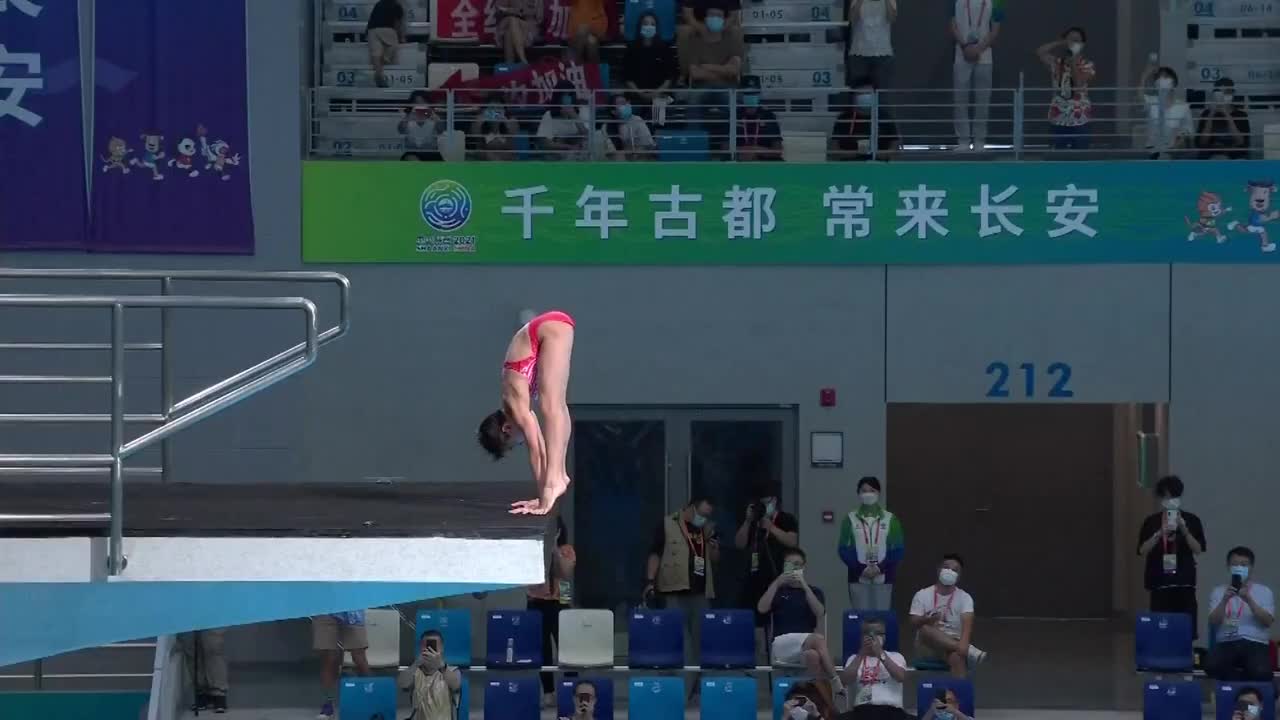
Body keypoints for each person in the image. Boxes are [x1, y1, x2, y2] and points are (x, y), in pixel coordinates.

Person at [478, 309, 576, 517]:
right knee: (557, 405)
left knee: (551, 406)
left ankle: (555, 479)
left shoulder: (514, 405)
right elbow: (540, 445)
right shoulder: (518, 406)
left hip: (547, 328)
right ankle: (558, 476)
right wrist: (542, 497)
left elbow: (536, 451)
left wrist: (545, 496)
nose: (520, 442)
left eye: (514, 443)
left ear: (507, 428)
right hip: (550, 328)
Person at [758, 549, 848, 709]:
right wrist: (777, 582)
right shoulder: (778, 591)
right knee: (819, 639)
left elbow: (820, 612)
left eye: (798, 564)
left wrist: (804, 587)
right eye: (790, 564)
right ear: (784, 567)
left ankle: (816, 703)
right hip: (781, 644)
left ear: (804, 567)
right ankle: (835, 681)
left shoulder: (814, 591)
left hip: (806, 645)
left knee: (813, 655)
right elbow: (761, 608)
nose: (794, 568)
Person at [645, 496, 721, 669]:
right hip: (674, 592)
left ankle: (698, 690)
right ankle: (680, 688)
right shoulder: (668, 523)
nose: (704, 519)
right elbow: (655, 554)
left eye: (708, 515)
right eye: (702, 514)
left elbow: (715, 560)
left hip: (700, 593)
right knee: (679, 641)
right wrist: (650, 581)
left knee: (700, 643)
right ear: (691, 508)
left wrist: (714, 546)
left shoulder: (707, 528)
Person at [1136, 475, 1206, 638]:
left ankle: (1184, 659)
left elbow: (1198, 549)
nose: (1171, 500)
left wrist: (1184, 530)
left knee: (1186, 627)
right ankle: (1163, 658)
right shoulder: (1152, 521)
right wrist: (1159, 533)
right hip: (1160, 582)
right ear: (1161, 498)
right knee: (1161, 627)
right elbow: (1142, 550)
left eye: (1174, 496)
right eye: (1167, 496)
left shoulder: (1191, 520)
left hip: (1184, 581)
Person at [735, 484, 799, 658]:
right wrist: (748, 520)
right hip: (755, 580)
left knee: (778, 621)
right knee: (756, 622)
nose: (764, 506)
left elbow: (792, 541)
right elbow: (739, 543)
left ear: (775, 501)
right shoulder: (754, 521)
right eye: (761, 503)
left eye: (767, 502)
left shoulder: (786, 519)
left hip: (779, 576)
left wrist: (771, 527)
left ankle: (778, 657)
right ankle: (756, 658)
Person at [909, 554, 987, 677]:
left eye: (955, 570)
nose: (949, 571)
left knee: (957, 657)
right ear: (938, 569)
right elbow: (913, 621)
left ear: (959, 576)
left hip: (953, 642)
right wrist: (927, 619)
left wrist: (963, 644)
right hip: (927, 646)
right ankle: (970, 651)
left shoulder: (965, 598)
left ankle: (959, 695)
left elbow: (967, 624)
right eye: (946, 567)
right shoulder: (922, 594)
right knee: (925, 628)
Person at [527, 516, 576, 706]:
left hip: (560, 602)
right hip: (536, 602)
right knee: (542, 649)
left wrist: (554, 549)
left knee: (567, 649)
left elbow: (565, 574)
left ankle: (571, 690)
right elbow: (532, 576)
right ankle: (548, 692)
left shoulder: (567, 550)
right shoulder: (533, 551)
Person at [1207, 546, 1275, 681]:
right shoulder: (1218, 591)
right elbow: (1213, 622)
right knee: (1211, 666)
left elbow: (1267, 622)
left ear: (1251, 567)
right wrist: (1224, 600)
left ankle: (1245, 690)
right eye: (1234, 564)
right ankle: (1236, 688)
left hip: (1255, 642)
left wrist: (1249, 600)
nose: (1239, 568)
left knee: (1261, 671)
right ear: (1228, 567)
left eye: (1244, 564)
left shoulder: (1264, 591)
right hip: (1227, 642)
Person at [838, 476, 904, 610]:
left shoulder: (890, 519)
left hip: (884, 576)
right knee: (860, 618)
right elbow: (844, 549)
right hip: (858, 576)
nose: (868, 494)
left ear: (878, 493)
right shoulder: (850, 519)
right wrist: (861, 569)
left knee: (881, 618)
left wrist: (880, 568)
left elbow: (897, 550)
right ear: (859, 493)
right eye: (864, 490)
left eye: (872, 490)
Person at [949, 0, 1004, 151]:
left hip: (985, 55)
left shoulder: (997, 2)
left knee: (983, 100)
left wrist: (979, 48)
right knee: (960, 99)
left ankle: (979, 140)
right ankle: (963, 140)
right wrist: (965, 46)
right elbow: (953, 25)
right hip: (961, 53)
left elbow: (995, 29)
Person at [1036, 26, 1096, 150]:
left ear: (1083, 44)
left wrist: (1073, 62)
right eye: (1071, 40)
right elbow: (1040, 52)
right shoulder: (1057, 63)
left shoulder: (1088, 65)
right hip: (1058, 115)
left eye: (1077, 40)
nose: (1073, 43)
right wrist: (1060, 42)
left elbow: (1078, 83)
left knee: (1080, 154)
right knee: (1059, 154)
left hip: (1080, 117)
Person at [841, 617, 907, 719]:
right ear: (862, 637)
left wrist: (880, 653)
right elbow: (845, 680)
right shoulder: (854, 658)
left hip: (890, 710)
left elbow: (900, 677)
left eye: (878, 633)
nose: (873, 637)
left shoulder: (895, 656)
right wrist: (862, 652)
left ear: (884, 637)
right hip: (863, 710)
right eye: (868, 633)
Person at [686, 4, 743, 120]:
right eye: (712, 15)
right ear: (705, 18)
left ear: (724, 19)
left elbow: (734, 69)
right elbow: (695, 73)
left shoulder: (732, 38)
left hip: (727, 87)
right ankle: (696, 137)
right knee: (693, 98)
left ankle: (728, 137)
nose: (715, 18)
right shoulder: (695, 40)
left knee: (730, 99)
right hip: (702, 88)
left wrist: (707, 67)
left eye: (719, 15)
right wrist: (723, 70)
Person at [314, 610, 371, 719]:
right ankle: (328, 704)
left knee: (359, 658)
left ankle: (371, 698)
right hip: (325, 609)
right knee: (329, 659)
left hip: (352, 609)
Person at [398, 630, 462, 720]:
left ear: (442, 648)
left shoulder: (452, 671)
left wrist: (441, 666)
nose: (430, 649)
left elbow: (456, 685)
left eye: (434, 645)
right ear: (421, 648)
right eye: (426, 645)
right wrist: (416, 664)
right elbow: (402, 683)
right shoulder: (415, 671)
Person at [623, 11, 676, 112]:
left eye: (652, 24)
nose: (649, 26)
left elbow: (669, 78)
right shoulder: (631, 49)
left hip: (660, 94)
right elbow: (627, 78)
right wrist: (640, 93)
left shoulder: (665, 49)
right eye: (645, 23)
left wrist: (656, 93)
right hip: (636, 94)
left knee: (661, 111)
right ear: (640, 26)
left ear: (656, 28)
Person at [830, 87, 901, 161]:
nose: (865, 96)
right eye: (861, 94)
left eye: (868, 93)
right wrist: (856, 153)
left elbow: (896, 146)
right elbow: (833, 149)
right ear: (854, 97)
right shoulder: (844, 118)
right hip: (850, 166)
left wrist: (879, 154)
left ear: (874, 96)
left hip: (879, 166)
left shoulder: (885, 117)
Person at [1139, 62, 1193, 158]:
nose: (1163, 80)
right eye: (1159, 78)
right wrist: (1145, 75)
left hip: (1174, 154)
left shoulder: (1183, 106)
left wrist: (1181, 141)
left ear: (1174, 82)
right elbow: (1139, 96)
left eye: (1166, 77)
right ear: (1156, 84)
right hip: (1152, 153)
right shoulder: (1151, 101)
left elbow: (1188, 131)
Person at [1195, 77, 1252, 160]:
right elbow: (1201, 143)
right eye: (1220, 93)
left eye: (1227, 93)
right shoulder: (1206, 114)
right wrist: (1212, 114)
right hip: (1210, 156)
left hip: (1235, 156)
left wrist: (1226, 114)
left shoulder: (1241, 115)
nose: (1224, 96)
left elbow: (1242, 143)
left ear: (1233, 94)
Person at [847, 0, 896, 89]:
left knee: (881, 97)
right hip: (859, 53)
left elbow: (892, 18)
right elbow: (852, 18)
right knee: (860, 96)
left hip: (883, 53)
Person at [535, 86, 591, 160]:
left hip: (580, 150)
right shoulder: (549, 115)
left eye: (569, 96)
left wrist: (574, 116)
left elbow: (588, 136)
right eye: (563, 98)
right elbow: (545, 143)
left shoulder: (583, 111)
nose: (566, 102)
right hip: (561, 151)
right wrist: (569, 147)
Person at [183, 628, 229, 713]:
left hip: (210, 616)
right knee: (191, 650)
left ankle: (218, 694)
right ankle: (201, 692)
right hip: (186, 617)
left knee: (213, 647)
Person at [469, 92, 522, 161]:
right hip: (485, 158)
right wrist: (482, 119)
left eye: (499, 108)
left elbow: (510, 145)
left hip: (507, 157)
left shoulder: (511, 121)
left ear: (504, 110)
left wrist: (504, 121)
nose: (495, 112)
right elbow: (477, 141)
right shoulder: (479, 121)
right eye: (492, 108)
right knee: (488, 155)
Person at [366, 0, 406, 88]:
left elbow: (370, 19)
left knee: (376, 53)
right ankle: (385, 59)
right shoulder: (397, 6)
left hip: (372, 30)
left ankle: (379, 74)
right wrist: (402, 37)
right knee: (393, 44)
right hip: (387, 29)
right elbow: (398, 24)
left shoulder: (378, 4)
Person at [735, 87, 782, 160]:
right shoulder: (734, 116)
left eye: (753, 94)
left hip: (764, 161)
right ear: (741, 96)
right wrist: (744, 151)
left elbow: (777, 150)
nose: (750, 96)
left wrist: (756, 150)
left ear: (759, 95)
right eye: (746, 94)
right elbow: (725, 147)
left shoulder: (768, 116)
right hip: (739, 160)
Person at [607, 93, 656, 160]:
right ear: (613, 111)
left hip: (641, 159)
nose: (626, 105)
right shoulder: (609, 126)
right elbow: (612, 152)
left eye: (626, 102)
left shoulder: (637, 120)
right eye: (621, 103)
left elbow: (648, 146)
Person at [398, 90, 442, 161]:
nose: (420, 105)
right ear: (411, 104)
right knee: (412, 160)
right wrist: (409, 117)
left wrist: (435, 118)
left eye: (423, 102)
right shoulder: (406, 116)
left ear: (428, 103)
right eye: (416, 102)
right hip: (412, 153)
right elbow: (400, 130)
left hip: (432, 152)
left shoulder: (434, 116)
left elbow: (441, 130)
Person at [495, 0, 542, 65]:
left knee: (509, 32)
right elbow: (499, 10)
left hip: (527, 27)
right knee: (512, 21)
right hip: (507, 22)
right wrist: (517, 12)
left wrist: (512, 11)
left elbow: (539, 18)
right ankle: (523, 59)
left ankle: (510, 68)